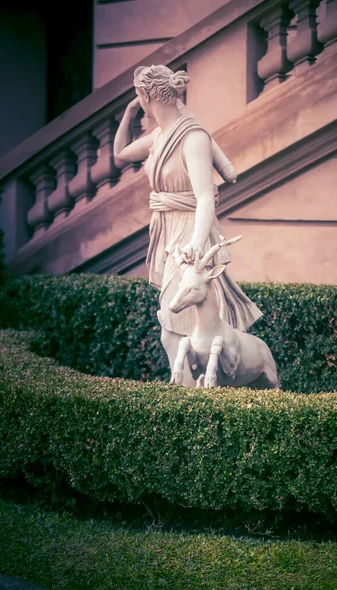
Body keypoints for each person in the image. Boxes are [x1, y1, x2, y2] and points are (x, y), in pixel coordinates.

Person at [114, 64, 262, 384]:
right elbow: (120, 154)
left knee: (173, 324)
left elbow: (205, 198)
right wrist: (128, 113)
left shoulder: (192, 138)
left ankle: (190, 398)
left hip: (189, 232)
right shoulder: (159, 135)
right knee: (176, 328)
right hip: (168, 230)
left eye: (138, 98)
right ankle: (192, 394)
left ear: (146, 96)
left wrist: (196, 242)